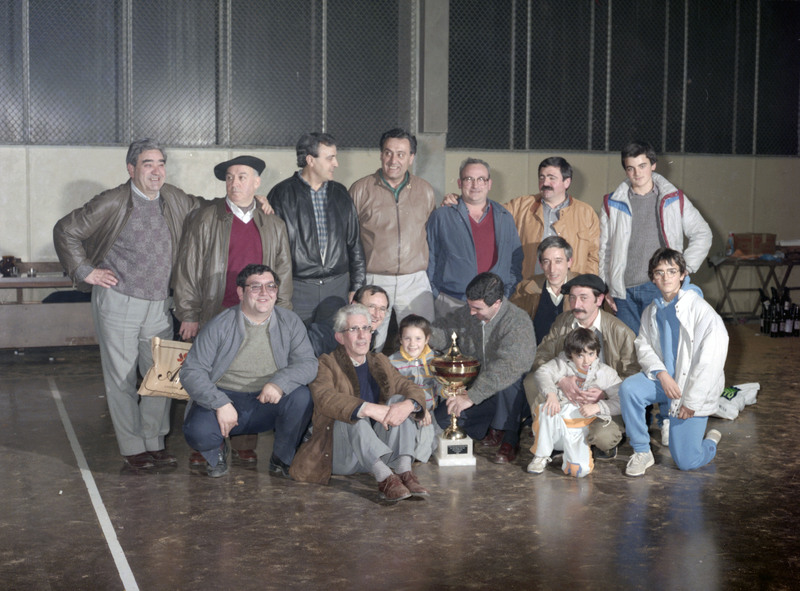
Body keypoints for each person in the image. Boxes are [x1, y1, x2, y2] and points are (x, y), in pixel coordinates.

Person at [53, 138, 205, 470]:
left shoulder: (173, 198)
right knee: (122, 379)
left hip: (160, 304)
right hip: (119, 301)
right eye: (148, 164)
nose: (156, 171)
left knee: (162, 376)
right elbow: (65, 230)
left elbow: (207, 208)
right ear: (131, 168)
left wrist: (251, 200)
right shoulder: (112, 201)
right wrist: (85, 271)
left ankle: (154, 441)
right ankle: (133, 447)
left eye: (161, 163)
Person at [173, 155, 294, 465]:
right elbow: (188, 267)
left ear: (257, 182)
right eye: (229, 177)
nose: (234, 183)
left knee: (252, 375)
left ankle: (244, 441)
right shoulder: (206, 218)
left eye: (242, 177)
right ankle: (206, 443)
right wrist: (189, 313)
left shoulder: (274, 224)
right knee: (209, 375)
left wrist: (282, 315)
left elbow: (283, 271)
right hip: (216, 310)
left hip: (259, 316)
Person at [180, 264, 317, 478]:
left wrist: (279, 383)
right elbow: (191, 371)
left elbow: (308, 363)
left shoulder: (290, 321)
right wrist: (219, 402)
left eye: (270, 286)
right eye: (255, 287)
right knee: (197, 431)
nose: (264, 293)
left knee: (302, 398)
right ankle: (216, 453)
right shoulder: (219, 325)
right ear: (240, 292)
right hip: (226, 397)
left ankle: (282, 458)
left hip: (267, 399)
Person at [289, 304, 429, 502]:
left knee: (399, 402)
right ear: (340, 337)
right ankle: (385, 478)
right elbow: (325, 398)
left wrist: (409, 404)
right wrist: (368, 408)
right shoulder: (326, 363)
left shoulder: (379, 361)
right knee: (352, 411)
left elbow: (409, 387)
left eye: (366, 328)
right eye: (354, 329)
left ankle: (404, 471)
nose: (362, 335)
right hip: (342, 455)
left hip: (380, 452)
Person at [619, 248, 728, 477]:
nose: (666, 277)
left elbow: (710, 362)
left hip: (690, 390)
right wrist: (661, 373)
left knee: (687, 462)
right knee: (629, 389)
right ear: (653, 278)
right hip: (666, 382)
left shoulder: (702, 311)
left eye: (672, 271)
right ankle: (642, 451)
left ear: (683, 274)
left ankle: (710, 442)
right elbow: (643, 345)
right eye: (659, 272)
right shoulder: (651, 310)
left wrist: (692, 401)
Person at [600, 141, 712, 334]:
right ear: (625, 170)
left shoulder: (674, 199)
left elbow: (702, 233)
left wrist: (684, 267)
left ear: (653, 165)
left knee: (660, 346)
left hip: (658, 287)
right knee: (629, 349)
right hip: (623, 293)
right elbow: (604, 250)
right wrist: (605, 287)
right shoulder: (611, 203)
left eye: (642, 166)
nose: (637, 173)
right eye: (631, 168)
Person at [526, 273, 639, 460]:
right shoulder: (562, 322)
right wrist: (561, 380)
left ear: (599, 299)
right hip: (566, 397)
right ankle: (553, 437)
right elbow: (541, 356)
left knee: (603, 438)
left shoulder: (621, 332)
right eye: (572, 298)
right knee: (532, 381)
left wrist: (605, 393)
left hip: (604, 403)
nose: (576, 304)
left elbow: (633, 377)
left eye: (583, 298)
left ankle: (591, 442)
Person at [430, 272, 536, 464]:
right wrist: (423, 334)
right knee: (443, 419)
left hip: (510, 395)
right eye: (470, 305)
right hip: (479, 390)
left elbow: (507, 367)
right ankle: (492, 426)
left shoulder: (518, 322)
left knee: (510, 379)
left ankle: (510, 437)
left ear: (496, 303)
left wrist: (470, 397)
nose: (471, 312)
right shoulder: (469, 312)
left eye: (477, 308)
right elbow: (445, 333)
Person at [349, 128, 436, 351]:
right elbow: (348, 240)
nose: (393, 160)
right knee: (369, 343)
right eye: (388, 153)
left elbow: (433, 235)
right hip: (374, 280)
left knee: (421, 343)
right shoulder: (360, 190)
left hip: (415, 280)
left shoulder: (425, 190)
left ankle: (418, 377)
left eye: (401, 154)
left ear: (411, 157)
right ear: (381, 155)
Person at [266, 132, 365, 323]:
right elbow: (272, 250)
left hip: (337, 288)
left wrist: (357, 286)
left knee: (334, 341)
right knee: (296, 340)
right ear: (310, 160)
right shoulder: (281, 194)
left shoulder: (341, 194)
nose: (336, 163)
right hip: (298, 290)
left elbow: (354, 243)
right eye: (330, 158)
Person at [426, 158, 522, 318]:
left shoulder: (504, 216)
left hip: (493, 305)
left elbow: (515, 260)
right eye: (469, 179)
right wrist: (437, 296)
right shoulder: (441, 216)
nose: (475, 185)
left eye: (481, 179)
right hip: (452, 303)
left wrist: (504, 294)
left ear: (489, 184)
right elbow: (430, 259)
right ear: (459, 183)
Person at [527, 328, 622, 477]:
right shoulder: (561, 364)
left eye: (591, 354)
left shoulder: (606, 373)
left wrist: (598, 406)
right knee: (546, 408)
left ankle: (575, 451)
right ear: (570, 354)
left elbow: (621, 402)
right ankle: (541, 455)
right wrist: (551, 394)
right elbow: (542, 372)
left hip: (581, 428)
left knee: (579, 471)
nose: (586, 361)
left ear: (597, 352)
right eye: (579, 356)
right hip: (558, 424)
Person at [504, 156, 600, 278]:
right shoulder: (519, 206)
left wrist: (586, 284)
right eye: (542, 177)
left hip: (571, 287)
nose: (545, 183)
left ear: (567, 182)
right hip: (530, 285)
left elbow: (594, 256)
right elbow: (492, 216)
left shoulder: (586, 213)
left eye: (551, 178)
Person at [388, 314, 442, 463]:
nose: (412, 344)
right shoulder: (392, 362)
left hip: (430, 412)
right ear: (400, 339)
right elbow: (394, 392)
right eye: (407, 338)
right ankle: (403, 458)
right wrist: (417, 407)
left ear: (427, 339)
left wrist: (451, 392)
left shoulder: (435, 360)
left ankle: (415, 458)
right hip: (405, 410)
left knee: (428, 445)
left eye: (418, 338)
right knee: (407, 442)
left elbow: (439, 385)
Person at [510, 235, 577, 344]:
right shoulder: (525, 289)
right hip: (536, 352)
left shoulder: (584, 288)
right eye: (546, 261)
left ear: (569, 262)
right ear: (540, 264)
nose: (552, 269)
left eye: (558, 261)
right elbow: (510, 323)